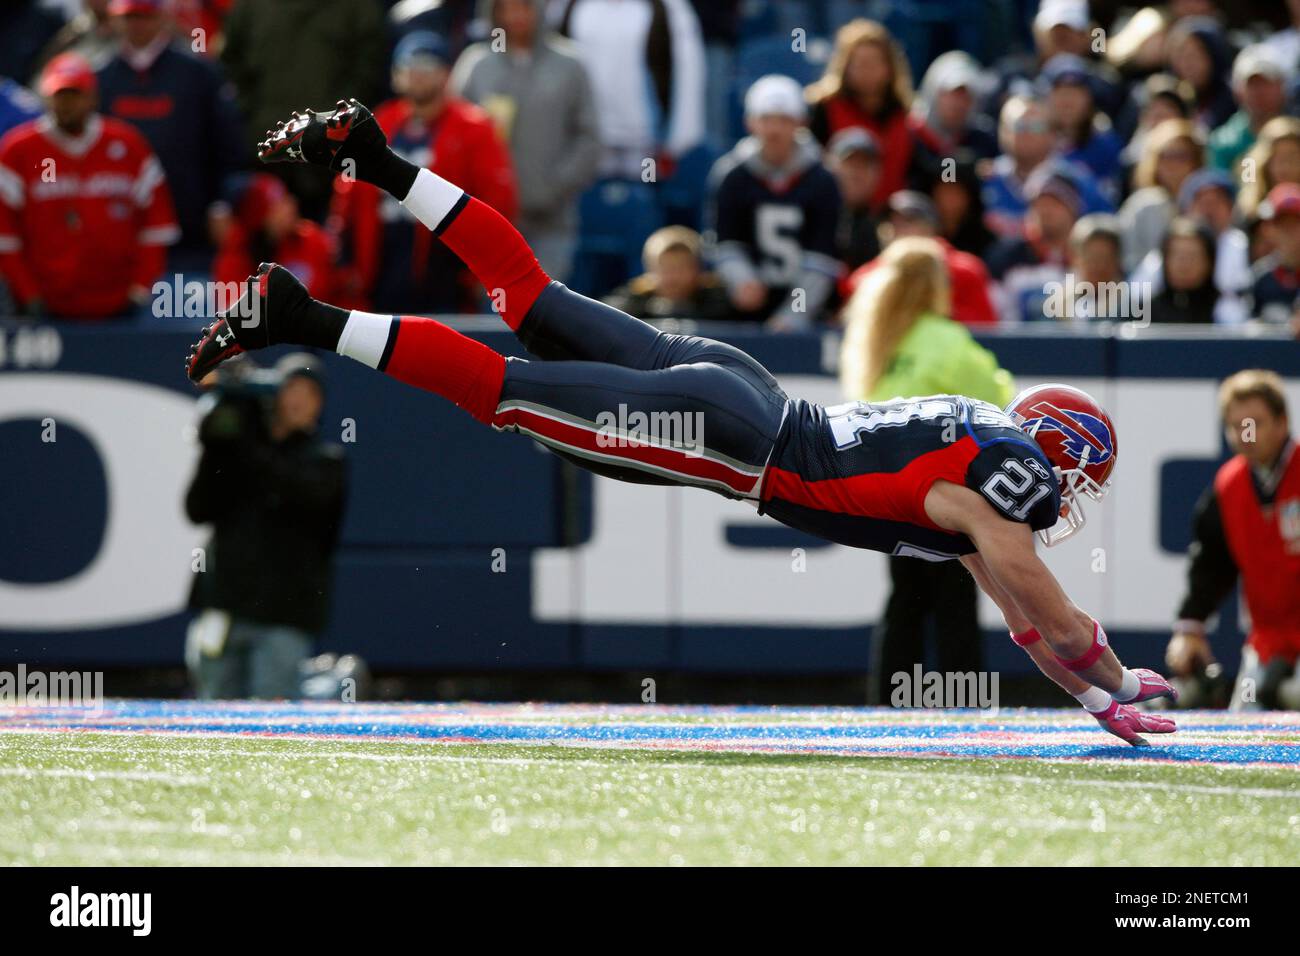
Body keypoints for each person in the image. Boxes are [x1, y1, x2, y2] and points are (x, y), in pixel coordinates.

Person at [185, 98, 1179, 745]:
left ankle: (376, 158)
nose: (1064, 501)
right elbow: (1043, 606)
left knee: (528, 296)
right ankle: (301, 313)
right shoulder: (1009, 481)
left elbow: (1018, 613)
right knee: (504, 389)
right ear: (1056, 457)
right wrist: (1110, 663)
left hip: (737, 385)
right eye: (1072, 478)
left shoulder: (980, 453)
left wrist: (1096, 691)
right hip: (736, 442)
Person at [839, 237, 1013, 703]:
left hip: (888, 492)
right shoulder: (946, 339)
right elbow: (1000, 402)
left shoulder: (876, 342)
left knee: (905, 601)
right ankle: (966, 701)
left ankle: (892, 701)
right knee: (956, 596)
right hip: (944, 491)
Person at [185, 353, 348, 699]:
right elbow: (197, 508)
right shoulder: (237, 450)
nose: (299, 400)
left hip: (283, 616)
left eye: (310, 393)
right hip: (225, 605)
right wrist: (217, 449)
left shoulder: (327, 462)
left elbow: (295, 492)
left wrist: (246, 441)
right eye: (291, 388)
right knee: (211, 714)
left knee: (270, 720)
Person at [329, 32, 517, 314]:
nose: (417, 75)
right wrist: (346, 261)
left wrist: (475, 272)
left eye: (427, 67)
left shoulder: (474, 127)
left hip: (444, 270)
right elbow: (348, 194)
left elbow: (498, 200)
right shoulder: (380, 121)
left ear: (445, 74)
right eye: (409, 67)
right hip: (383, 264)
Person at [0, 52, 178, 319]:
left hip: (118, 304)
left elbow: (157, 225)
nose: (68, 104)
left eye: (76, 94)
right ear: (47, 97)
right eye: (61, 95)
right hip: (43, 305)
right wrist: (28, 294)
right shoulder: (18, 150)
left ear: (93, 97)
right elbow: (5, 236)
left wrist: (140, 288)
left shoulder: (128, 144)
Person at [1166, 370, 1300, 711]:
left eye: (1255, 422)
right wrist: (1189, 628)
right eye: (1235, 425)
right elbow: (1211, 563)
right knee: (1245, 718)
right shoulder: (1229, 486)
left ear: (1283, 422)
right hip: (1268, 642)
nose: (1245, 434)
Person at [451, 0, 601, 283]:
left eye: (524, 7)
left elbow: (589, 139)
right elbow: (452, 135)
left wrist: (554, 186)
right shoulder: (477, 64)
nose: (515, 16)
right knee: (493, 317)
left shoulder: (570, 64)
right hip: (488, 221)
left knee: (545, 312)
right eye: (505, 8)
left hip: (552, 221)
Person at [95, 0, 245, 273]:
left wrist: (223, 202)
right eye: (130, 17)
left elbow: (228, 147)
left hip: (190, 226)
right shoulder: (101, 78)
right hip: (122, 230)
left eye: (144, 16)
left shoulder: (199, 73)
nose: (137, 25)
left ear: (161, 17)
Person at [706, 75, 841, 330]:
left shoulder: (822, 179)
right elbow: (724, 243)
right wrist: (741, 280)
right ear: (750, 122)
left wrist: (795, 313)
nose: (775, 129)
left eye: (784, 120)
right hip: (745, 310)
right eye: (767, 119)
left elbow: (823, 257)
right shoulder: (731, 175)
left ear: (801, 123)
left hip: (808, 314)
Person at [213, 173, 338, 301]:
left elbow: (341, 289)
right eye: (279, 203)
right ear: (259, 215)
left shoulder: (312, 238)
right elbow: (237, 316)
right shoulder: (234, 259)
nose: (291, 204)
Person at [602, 226, 730, 321]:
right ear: (649, 271)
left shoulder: (721, 302)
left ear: (698, 269)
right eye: (665, 269)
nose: (673, 277)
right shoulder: (631, 301)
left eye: (681, 268)